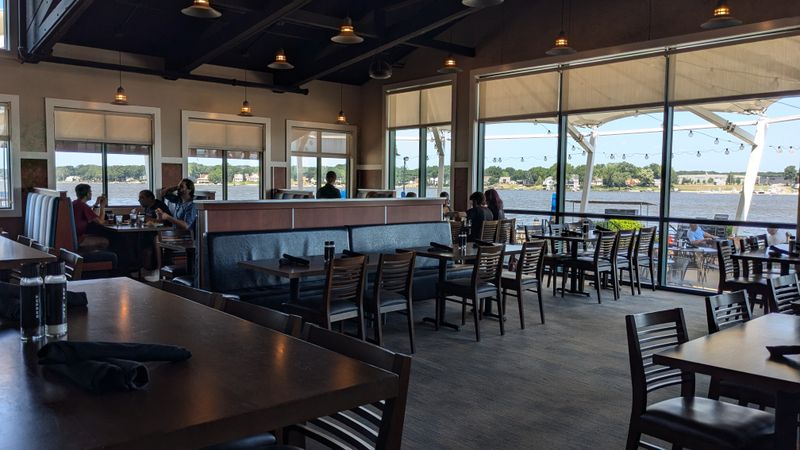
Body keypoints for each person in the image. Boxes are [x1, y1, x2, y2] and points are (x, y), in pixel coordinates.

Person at [72, 183, 109, 250]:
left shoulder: (75, 203)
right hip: (77, 239)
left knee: (98, 236)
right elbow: (100, 222)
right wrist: (102, 206)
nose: (91, 193)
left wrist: (96, 204)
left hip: (74, 236)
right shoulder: (83, 206)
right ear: (88, 194)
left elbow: (92, 216)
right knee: (105, 241)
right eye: (91, 192)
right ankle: (96, 258)